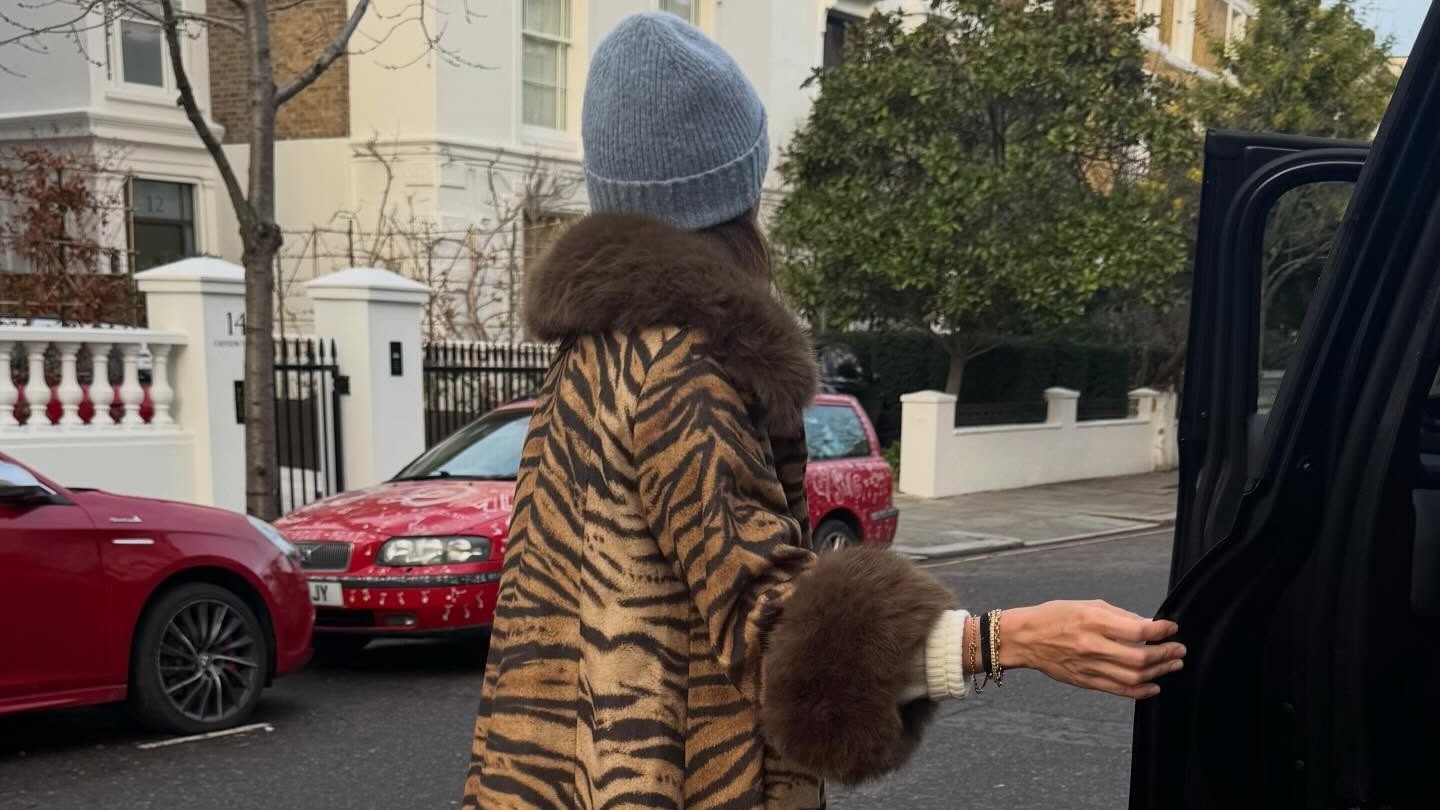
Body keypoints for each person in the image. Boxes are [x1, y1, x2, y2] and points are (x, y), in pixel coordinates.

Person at [461, 12, 1185, 810]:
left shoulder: (588, 361)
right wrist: (1008, 640)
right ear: (737, 192)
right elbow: (780, 640)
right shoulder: (682, 375)